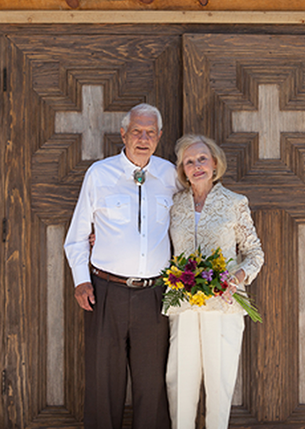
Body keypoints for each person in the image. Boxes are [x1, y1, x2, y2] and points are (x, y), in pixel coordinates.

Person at [64, 103, 178, 429]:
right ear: (123, 134)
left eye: (150, 133)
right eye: (137, 132)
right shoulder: (100, 174)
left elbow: (186, 221)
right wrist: (80, 281)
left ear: (159, 137)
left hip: (155, 295)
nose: (143, 138)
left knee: (152, 385)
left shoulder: (170, 175)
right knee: (103, 383)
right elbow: (77, 236)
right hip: (105, 293)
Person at [165, 134, 264, 429]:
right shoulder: (173, 204)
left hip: (224, 305)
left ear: (215, 163)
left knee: (219, 385)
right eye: (189, 161)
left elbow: (254, 253)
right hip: (183, 305)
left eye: (202, 159)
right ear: (182, 170)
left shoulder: (234, 203)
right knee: (179, 382)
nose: (196, 166)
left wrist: (237, 277)